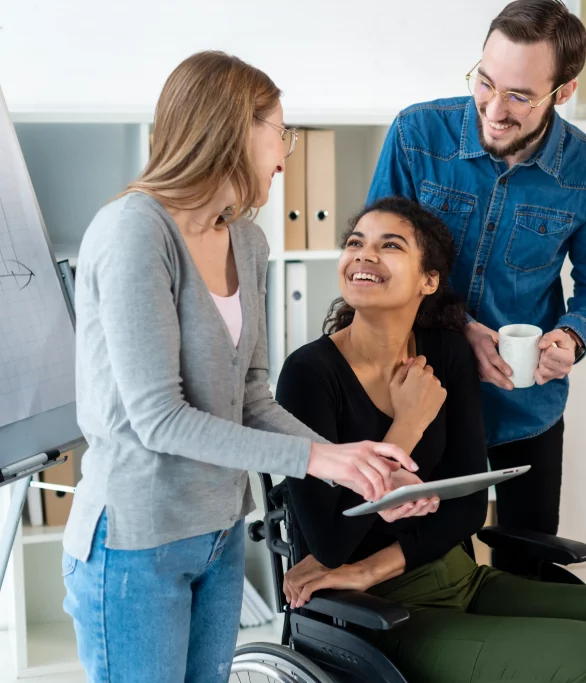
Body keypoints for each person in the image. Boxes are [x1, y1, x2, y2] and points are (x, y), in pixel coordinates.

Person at [61, 51, 419, 683]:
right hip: (135, 543)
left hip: (222, 533)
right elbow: (160, 419)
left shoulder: (248, 242)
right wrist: (320, 461)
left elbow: (251, 394)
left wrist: (354, 467)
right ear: (232, 128)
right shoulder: (133, 232)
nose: (287, 150)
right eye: (279, 130)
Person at [275, 197, 586, 683]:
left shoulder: (446, 354)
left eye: (390, 245)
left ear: (429, 280)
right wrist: (408, 424)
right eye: (355, 243)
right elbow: (330, 545)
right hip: (375, 611)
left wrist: (370, 567)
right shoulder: (309, 374)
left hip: (456, 574)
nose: (364, 255)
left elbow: (468, 506)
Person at [366, 0, 586, 575]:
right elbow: (379, 262)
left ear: (563, 91)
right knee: (436, 573)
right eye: (485, 82)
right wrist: (458, 325)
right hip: (420, 395)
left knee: (529, 568)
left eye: (519, 96)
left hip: (524, 409)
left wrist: (572, 338)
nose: (494, 109)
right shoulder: (417, 134)